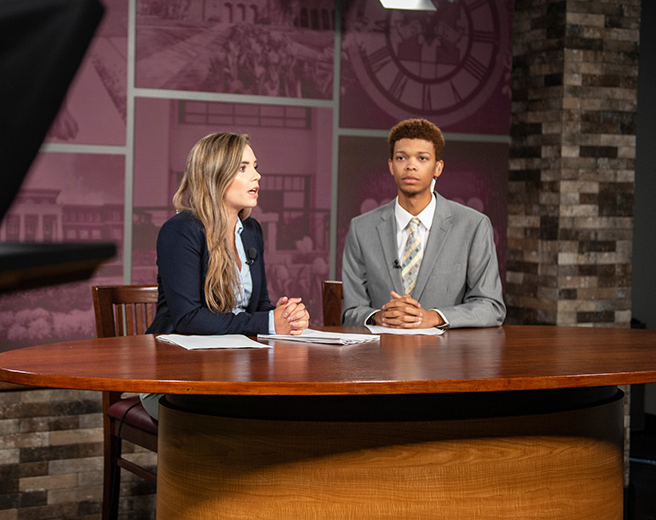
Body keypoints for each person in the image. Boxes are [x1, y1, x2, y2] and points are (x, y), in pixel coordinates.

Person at [142, 132, 309, 418]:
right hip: (175, 377)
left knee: (297, 405)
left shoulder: (252, 231)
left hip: (235, 370)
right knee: (248, 417)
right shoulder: (181, 230)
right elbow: (188, 318)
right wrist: (269, 321)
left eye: (255, 166)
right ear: (214, 174)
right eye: (244, 167)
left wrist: (285, 316)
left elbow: (258, 308)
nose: (257, 176)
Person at [341, 118, 505, 330]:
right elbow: (351, 312)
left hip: (446, 358)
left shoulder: (473, 226)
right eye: (401, 158)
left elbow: (491, 307)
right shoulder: (361, 229)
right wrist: (379, 317)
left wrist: (435, 317)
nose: (411, 165)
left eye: (422, 158)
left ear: (438, 167)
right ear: (391, 166)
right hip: (379, 356)